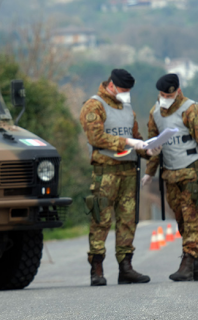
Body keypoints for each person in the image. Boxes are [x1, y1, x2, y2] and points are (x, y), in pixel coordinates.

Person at [80, 68, 161, 286]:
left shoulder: (128, 109)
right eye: (123, 90)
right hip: (106, 171)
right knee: (101, 219)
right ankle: (96, 268)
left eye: (129, 91)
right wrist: (126, 142)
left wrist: (147, 149)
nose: (126, 94)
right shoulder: (94, 105)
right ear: (112, 85)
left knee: (127, 220)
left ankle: (126, 267)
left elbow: (136, 138)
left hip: (128, 171)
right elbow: (96, 136)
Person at [141, 73, 198, 282]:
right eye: (160, 94)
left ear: (176, 91)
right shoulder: (155, 113)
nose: (163, 98)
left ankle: (187, 264)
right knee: (181, 220)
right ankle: (197, 266)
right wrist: (150, 171)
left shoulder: (192, 110)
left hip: (192, 173)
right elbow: (153, 144)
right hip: (170, 175)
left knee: (191, 218)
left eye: (167, 94)